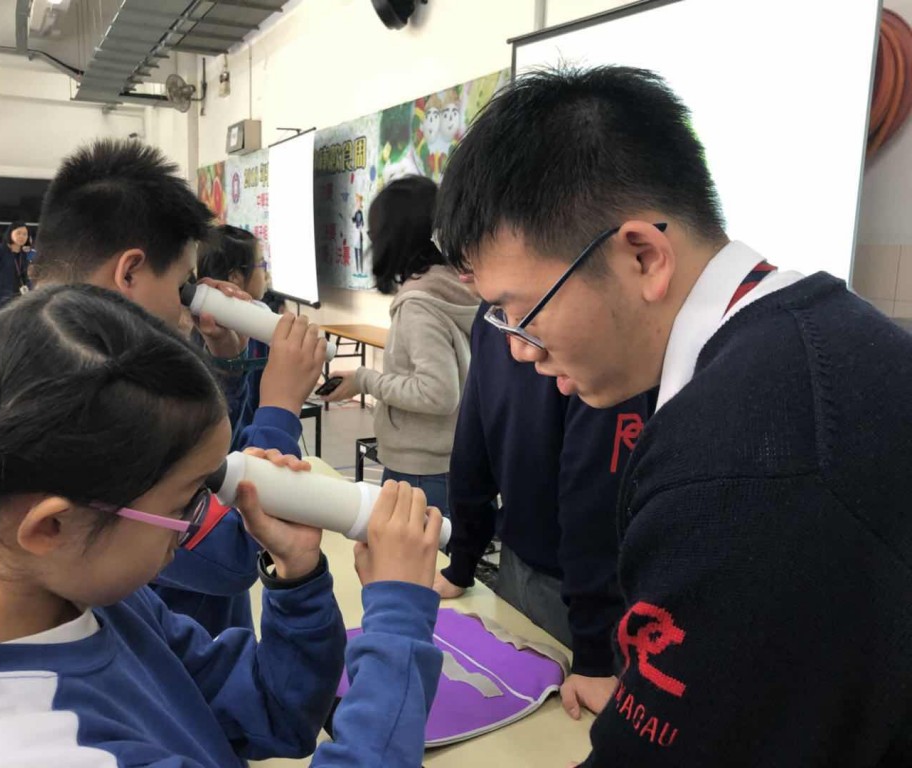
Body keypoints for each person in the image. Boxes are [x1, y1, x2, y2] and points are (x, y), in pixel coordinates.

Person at [435, 66, 912, 766]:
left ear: (643, 256)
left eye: (522, 311)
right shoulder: (828, 335)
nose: (519, 348)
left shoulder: (735, 462)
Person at [0, 285, 444, 768]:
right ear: (50, 526)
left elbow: (274, 712)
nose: (197, 523)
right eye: (187, 504)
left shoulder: (98, 602)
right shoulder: (28, 750)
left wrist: (296, 578)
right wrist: (398, 624)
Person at [31, 139, 323, 637]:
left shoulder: (67, 353)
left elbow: (209, 465)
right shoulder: (88, 399)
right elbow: (234, 548)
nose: (188, 301)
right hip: (183, 651)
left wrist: (225, 362)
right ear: (129, 271)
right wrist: (280, 407)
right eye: (184, 283)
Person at [435, 302, 652, 721]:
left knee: (551, 727)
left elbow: (597, 498)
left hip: (585, 589)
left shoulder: (589, 323)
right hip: (532, 572)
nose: (521, 349)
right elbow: (473, 438)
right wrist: (461, 561)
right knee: (517, 719)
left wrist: (594, 657)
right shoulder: (493, 314)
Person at [323, 176, 478, 517]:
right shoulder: (453, 286)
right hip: (448, 462)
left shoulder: (419, 304)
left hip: (422, 471)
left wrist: (365, 380)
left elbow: (438, 393)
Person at [196, 225, 272, 453]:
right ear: (235, 277)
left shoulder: (201, 319)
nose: (267, 275)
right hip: (245, 445)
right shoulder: (258, 325)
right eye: (262, 265)